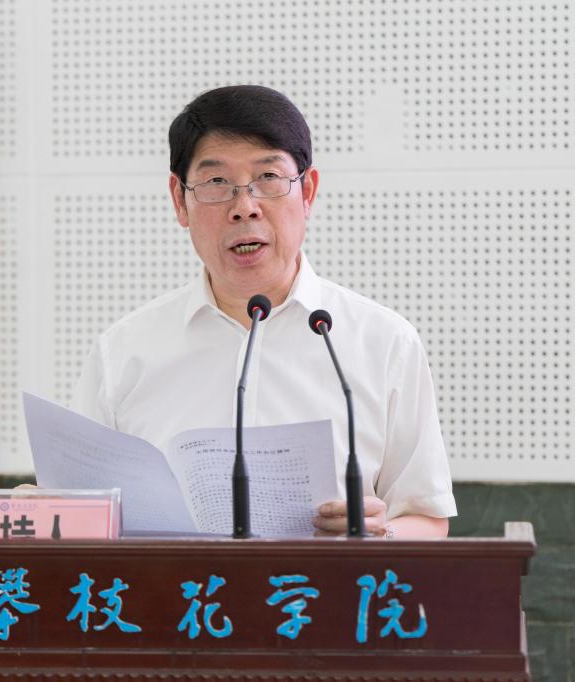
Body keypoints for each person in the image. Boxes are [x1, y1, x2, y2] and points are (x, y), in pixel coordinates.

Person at [70, 85, 455, 538]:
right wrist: (46, 508)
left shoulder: (383, 342)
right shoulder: (124, 352)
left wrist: (380, 535)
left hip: (324, 587)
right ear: (179, 199)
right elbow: (82, 518)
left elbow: (428, 520)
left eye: (268, 177)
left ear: (307, 192)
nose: (244, 208)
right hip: (175, 588)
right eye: (216, 183)